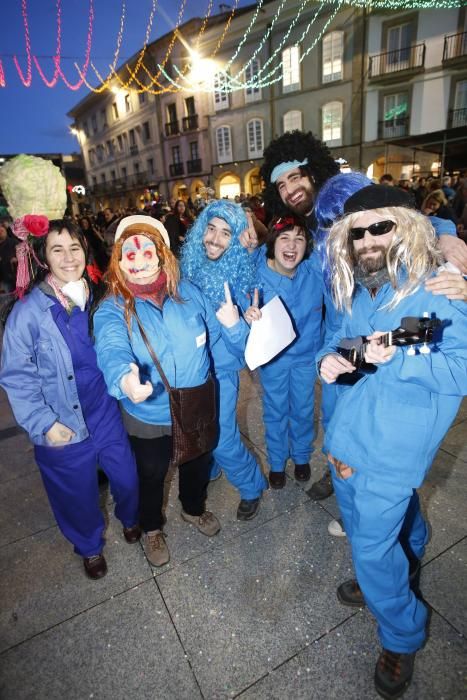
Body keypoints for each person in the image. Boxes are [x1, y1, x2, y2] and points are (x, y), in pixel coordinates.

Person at [260, 130, 467, 504]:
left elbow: (400, 218)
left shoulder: (346, 194)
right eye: (280, 185)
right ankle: (347, 480)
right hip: (346, 331)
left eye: (295, 176)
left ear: (313, 170)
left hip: (383, 321)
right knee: (339, 411)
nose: (289, 189)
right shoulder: (305, 225)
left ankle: (382, 507)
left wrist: (446, 235)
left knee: (384, 433)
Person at [317, 184, 467, 699]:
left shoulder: (441, 289)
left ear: (407, 225)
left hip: (392, 451)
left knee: (371, 544)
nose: (366, 240)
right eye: (357, 232)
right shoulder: (366, 290)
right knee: (371, 528)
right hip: (347, 439)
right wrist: (335, 361)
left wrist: (399, 354)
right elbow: (355, 343)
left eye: (379, 226)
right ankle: (401, 557)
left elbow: (459, 367)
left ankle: (402, 632)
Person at [0, 217, 140, 580]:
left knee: (126, 476)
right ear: (43, 257)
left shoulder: (97, 295)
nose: (68, 257)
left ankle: (130, 517)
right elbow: (16, 375)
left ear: (85, 250)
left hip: (104, 411)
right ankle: (90, 547)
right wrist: (44, 424)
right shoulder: (27, 313)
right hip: (61, 420)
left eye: (74, 248)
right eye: (57, 249)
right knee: (76, 497)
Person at [93, 215, 226, 567]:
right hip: (148, 413)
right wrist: (124, 378)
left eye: (146, 252)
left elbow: (219, 334)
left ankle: (193, 509)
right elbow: (111, 347)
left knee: (197, 462)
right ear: (118, 261)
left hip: (195, 403)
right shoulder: (111, 308)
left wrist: (243, 326)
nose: (137, 263)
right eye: (129, 256)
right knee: (151, 473)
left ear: (162, 254)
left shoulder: (189, 292)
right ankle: (152, 528)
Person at [180, 201, 268, 521]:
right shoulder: (189, 264)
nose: (215, 239)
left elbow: (248, 349)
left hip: (221, 374)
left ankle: (251, 486)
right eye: (211, 228)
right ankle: (213, 465)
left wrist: (234, 323)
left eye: (226, 233)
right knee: (204, 433)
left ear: (236, 239)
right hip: (193, 371)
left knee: (223, 438)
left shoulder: (241, 276)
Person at [244, 215, 324, 489]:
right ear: (273, 242)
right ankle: (277, 461)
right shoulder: (255, 270)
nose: (292, 245)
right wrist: (247, 314)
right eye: (284, 238)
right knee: (275, 410)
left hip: (305, 357)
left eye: (299, 239)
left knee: (302, 409)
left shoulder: (313, 270)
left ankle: (301, 456)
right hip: (273, 359)